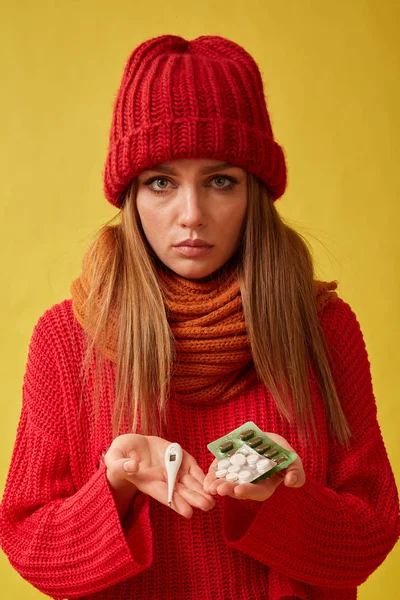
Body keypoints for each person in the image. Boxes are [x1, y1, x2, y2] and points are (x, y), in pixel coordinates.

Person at [0, 33, 399, 600]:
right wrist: (116, 484)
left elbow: (371, 536)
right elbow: (31, 550)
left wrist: (275, 499)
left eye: (220, 181)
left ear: (254, 193)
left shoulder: (322, 328)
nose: (192, 215)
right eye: (161, 182)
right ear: (130, 197)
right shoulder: (68, 338)